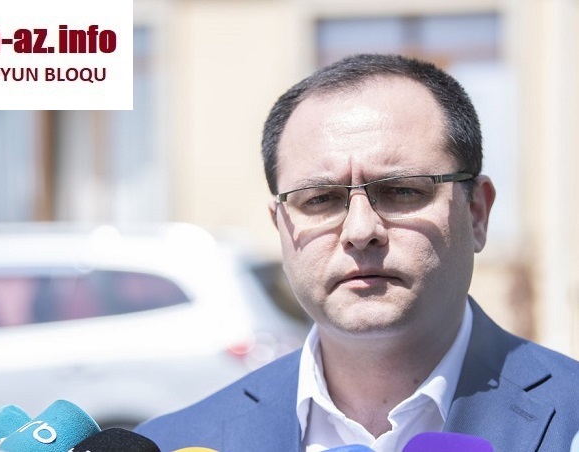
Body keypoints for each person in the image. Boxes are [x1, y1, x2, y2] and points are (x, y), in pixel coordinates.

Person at [135, 54, 579, 451]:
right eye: (320, 199)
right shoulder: (178, 442)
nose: (361, 231)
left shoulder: (569, 416)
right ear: (281, 226)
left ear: (477, 212)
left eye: (402, 191)